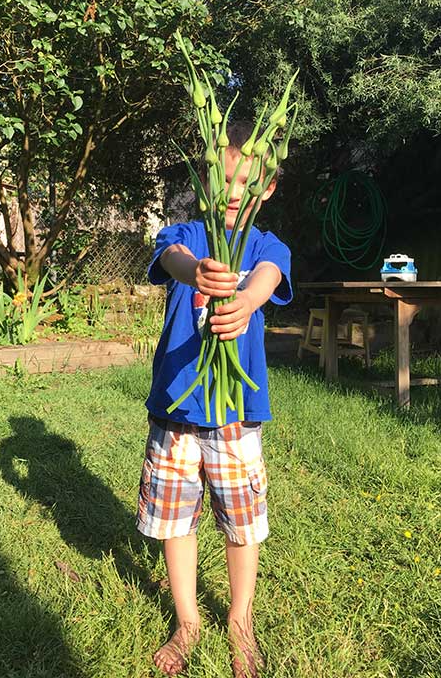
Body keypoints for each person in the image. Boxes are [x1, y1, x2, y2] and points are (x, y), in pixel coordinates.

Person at [136, 122, 293, 678]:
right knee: (176, 521)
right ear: (204, 176)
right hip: (176, 411)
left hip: (234, 417)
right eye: (221, 178)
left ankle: (240, 621)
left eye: (247, 183)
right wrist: (197, 271)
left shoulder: (266, 247)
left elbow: (267, 279)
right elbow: (173, 258)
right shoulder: (185, 236)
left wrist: (246, 301)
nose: (232, 192)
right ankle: (188, 622)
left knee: (240, 522)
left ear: (268, 187)